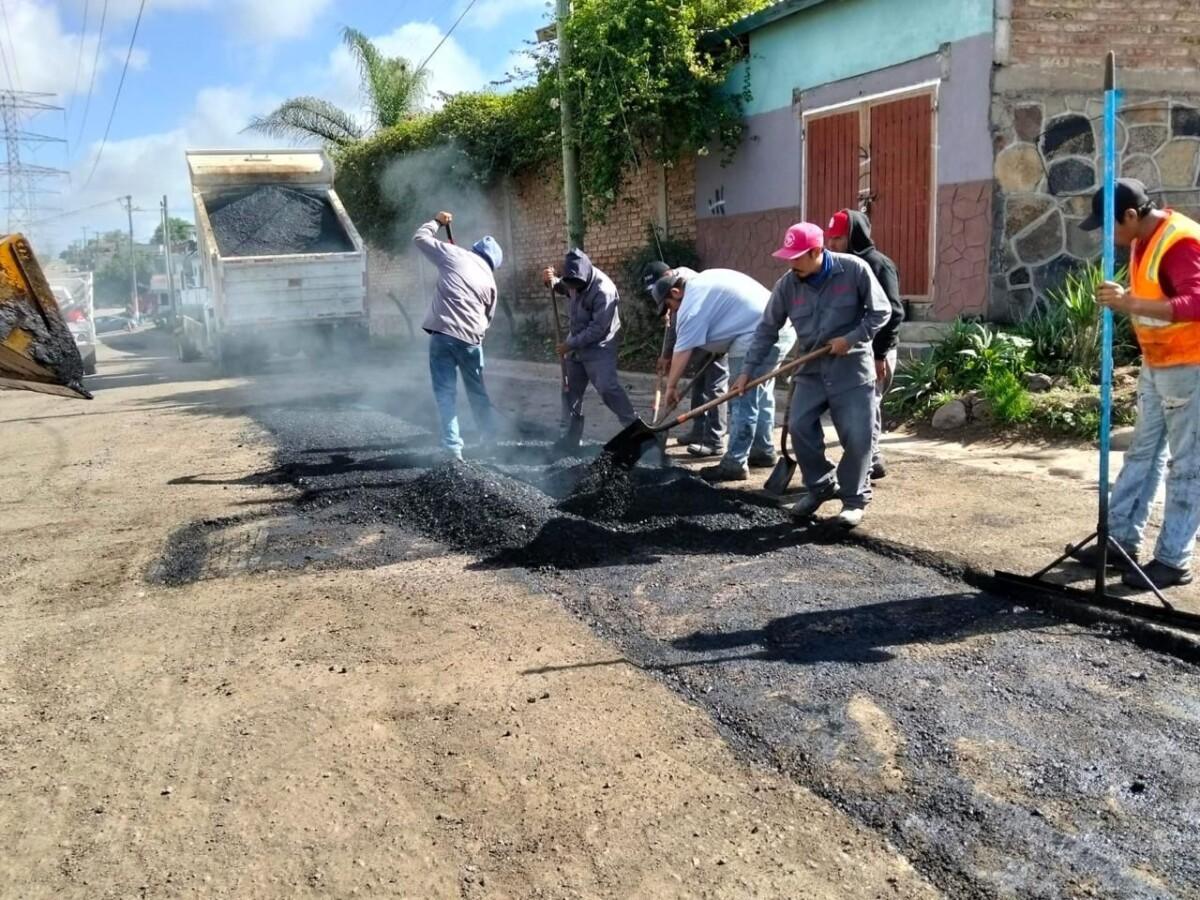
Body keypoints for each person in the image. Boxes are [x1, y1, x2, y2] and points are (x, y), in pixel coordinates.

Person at [1072, 177, 1200, 590]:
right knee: (1143, 455)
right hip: (1158, 364)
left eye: (1111, 225)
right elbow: (1160, 292)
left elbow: (1195, 303)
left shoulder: (1180, 241)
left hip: (1189, 367)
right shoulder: (1144, 238)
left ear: (1131, 215)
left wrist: (1128, 302)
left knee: (1187, 467)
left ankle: (1173, 559)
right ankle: (1120, 542)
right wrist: (1128, 295)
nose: (1110, 235)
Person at [734, 222, 890, 528]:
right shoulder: (787, 285)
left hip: (851, 367)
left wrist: (853, 336)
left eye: (798, 256)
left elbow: (881, 311)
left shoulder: (854, 270)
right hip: (810, 365)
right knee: (799, 427)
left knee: (858, 437)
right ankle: (821, 486)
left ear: (818, 251)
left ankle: (854, 501)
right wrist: (747, 371)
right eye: (788, 256)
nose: (792, 263)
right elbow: (767, 329)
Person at [653, 268, 795, 481]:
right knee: (760, 393)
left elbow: (681, 352)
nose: (671, 312)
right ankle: (762, 450)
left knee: (742, 396)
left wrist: (672, 387)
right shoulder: (700, 283)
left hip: (758, 335)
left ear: (675, 292)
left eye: (669, 306)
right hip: (781, 329)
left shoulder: (690, 307)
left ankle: (735, 463)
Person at [414, 211, 503, 462]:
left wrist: (437, 222)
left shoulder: (456, 254)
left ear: (474, 250)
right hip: (472, 340)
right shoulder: (491, 282)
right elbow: (488, 319)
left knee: (445, 392)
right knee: (478, 393)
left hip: (443, 334)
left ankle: (453, 449)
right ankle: (490, 441)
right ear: (493, 263)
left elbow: (420, 238)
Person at [826, 209, 905, 479]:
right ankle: (870, 458)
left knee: (867, 405)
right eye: (830, 238)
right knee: (858, 407)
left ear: (853, 236)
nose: (831, 244)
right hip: (853, 347)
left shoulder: (878, 264)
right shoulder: (842, 266)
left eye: (837, 238)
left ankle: (868, 462)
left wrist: (880, 354)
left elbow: (894, 312)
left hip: (876, 351)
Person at [542, 249, 637, 449]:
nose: (574, 288)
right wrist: (553, 281)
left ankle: (636, 431)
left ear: (587, 274)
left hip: (598, 347)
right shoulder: (574, 281)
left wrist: (570, 344)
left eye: (577, 285)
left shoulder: (604, 291)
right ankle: (570, 436)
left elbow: (597, 330)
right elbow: (565, 288)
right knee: (570, 390)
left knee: (607, 388)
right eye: (571, 284)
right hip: (575, 343)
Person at [642, 261, 729, 456]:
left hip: (715, 335)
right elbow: (675, 324)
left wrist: (670, 365)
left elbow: (677, 327)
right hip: (700, 337)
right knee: (698, 384)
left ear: (668, 277)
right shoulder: (674, 289)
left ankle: (715, 439)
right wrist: (666, 355)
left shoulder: (688, 284)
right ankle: (699, 430)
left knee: (715, 387)